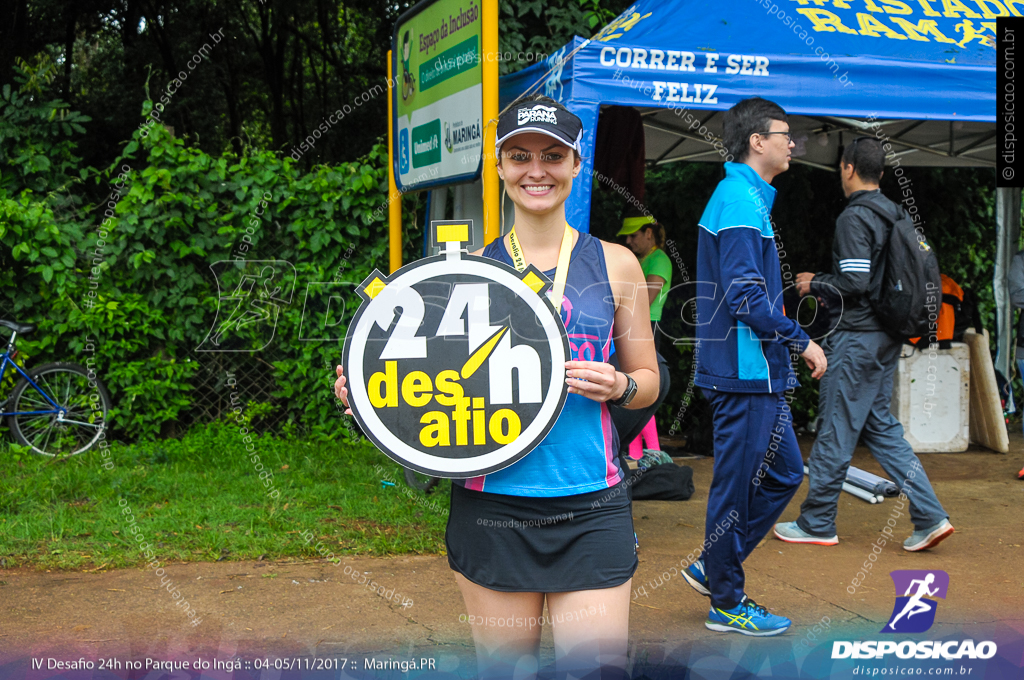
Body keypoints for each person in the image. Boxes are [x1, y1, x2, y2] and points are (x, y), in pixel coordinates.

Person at [334, 94, 660, 679]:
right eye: (519, 156)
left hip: (591, 505)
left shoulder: (617, 264)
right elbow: (421, 385)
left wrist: (619, 385)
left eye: (552, 156)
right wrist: (369, 396)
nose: (537, 170)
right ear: (500, 166)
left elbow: (650, 383)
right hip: (492, 511)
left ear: (576, 164)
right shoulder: (459, 273)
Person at [680, 97, 827, 637]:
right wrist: (801, 340)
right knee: (735, 488)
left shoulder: (746, 197)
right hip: (746, 374)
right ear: (756, 141)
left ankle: (713, 566)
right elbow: (745, 298)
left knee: (787, 472)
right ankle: (727, 602)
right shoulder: (739, 198)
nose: (793, 143)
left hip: (757, 373)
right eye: (784, 134)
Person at [775, 135, 954, 551]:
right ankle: (930, 516)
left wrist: (812, 282)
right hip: (887, 335)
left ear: (848, 168)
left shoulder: (855, 218)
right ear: (883, 173)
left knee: (836, 428)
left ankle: (817, 521)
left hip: (857, 338)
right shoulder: (896, 214)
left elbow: (854, 281)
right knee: (882, 428)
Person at [618, 215, 672, 461]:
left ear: (649, 233)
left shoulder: (659, 259)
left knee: (642, 387)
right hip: (636, 325)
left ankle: (649, 451)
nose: (629, 241)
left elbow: (645, 300)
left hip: (647, 326)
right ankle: (641, 453)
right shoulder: (643, 259)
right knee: (635, 387)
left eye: (634, 235)